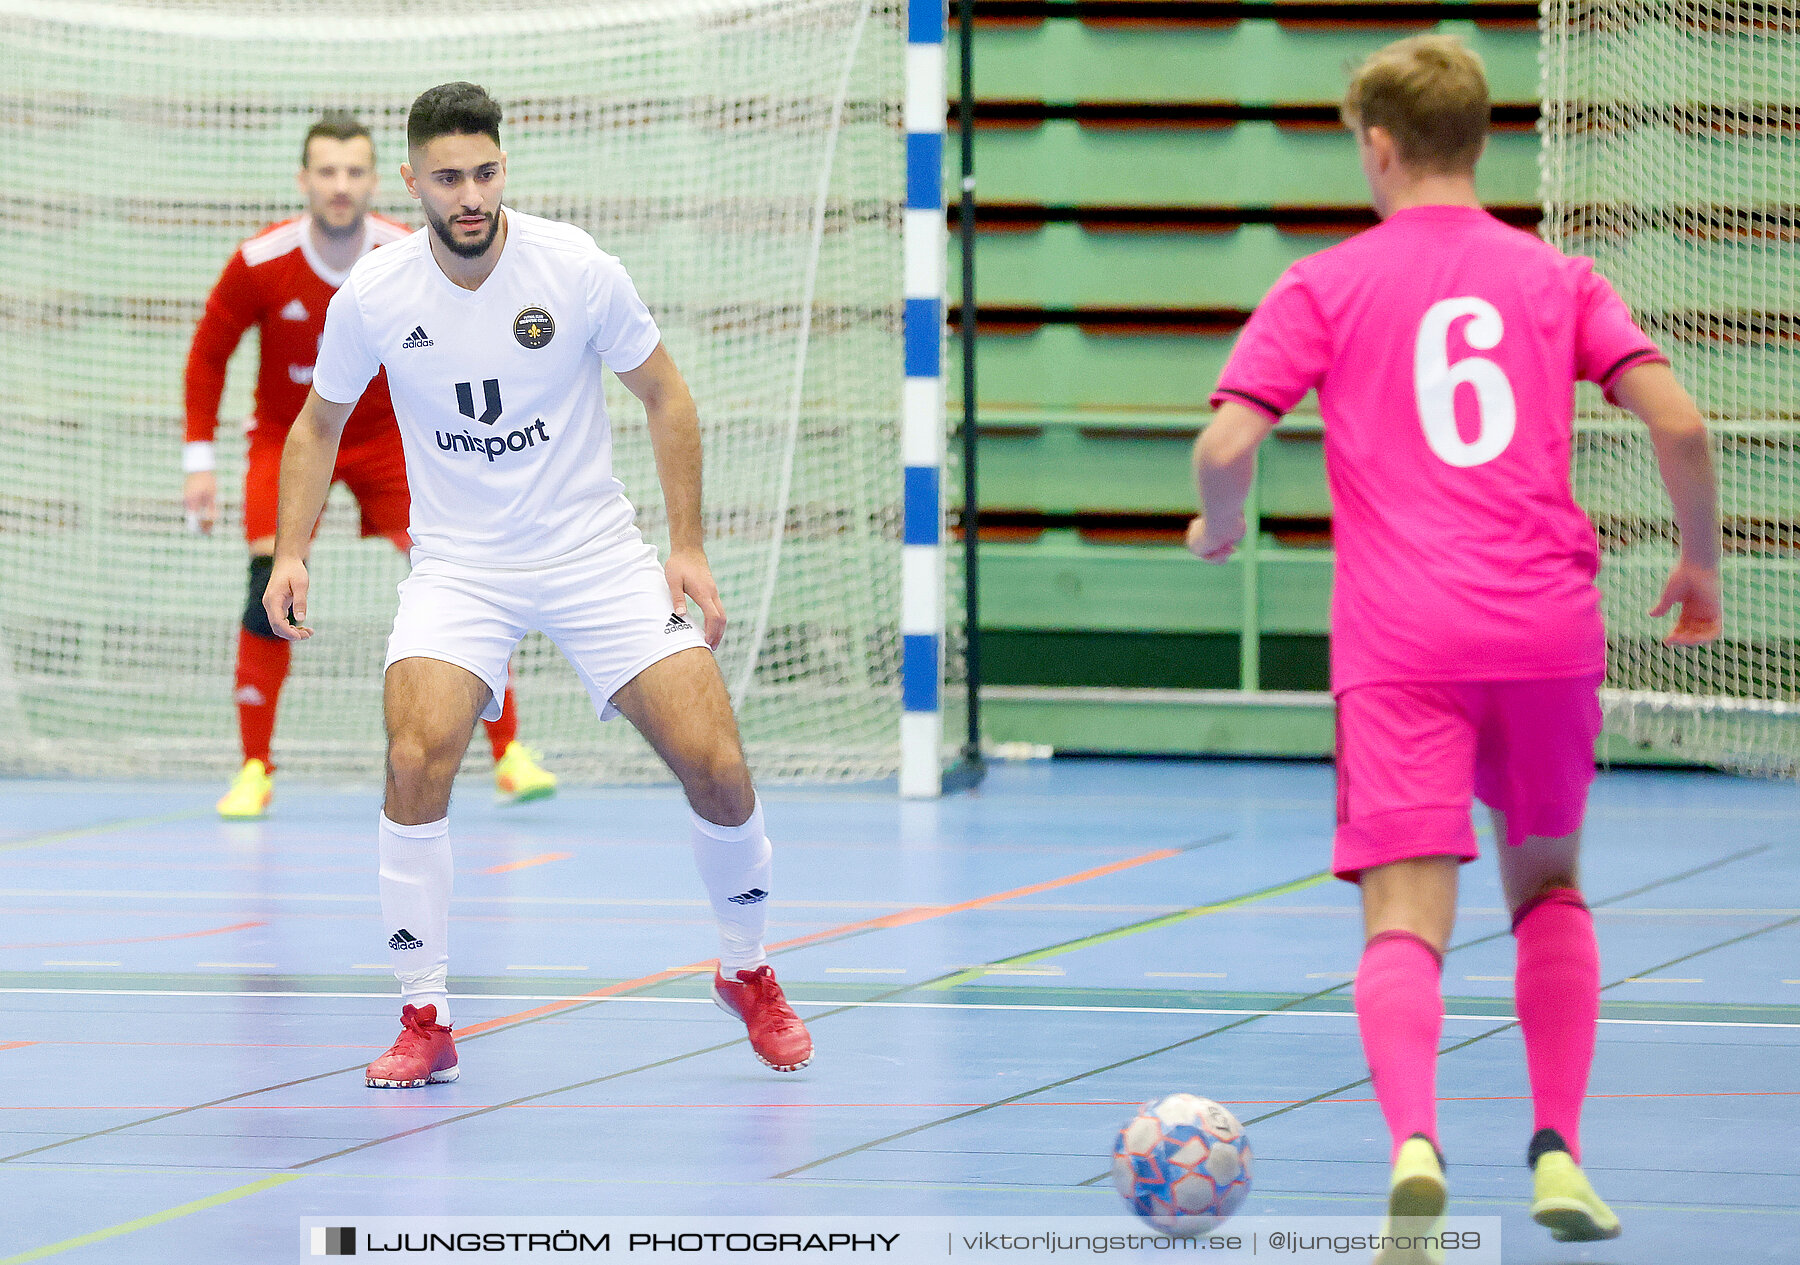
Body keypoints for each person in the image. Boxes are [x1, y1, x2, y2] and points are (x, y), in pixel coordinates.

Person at [1186, 35, 1721, 1260]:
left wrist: (1222, 530)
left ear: (1377, 147)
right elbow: (1681, 423)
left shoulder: (1325, 283)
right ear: (1480, 142)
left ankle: (1417, 1148)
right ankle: (1559, 1151)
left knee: (1405, 918)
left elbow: (1225, 450)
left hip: (1403, 640)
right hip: (1545, 630)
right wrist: (1699, 562)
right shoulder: (1559, 277)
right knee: (1549, 889)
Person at [262, 82, 813, 1086]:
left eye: (484, 172)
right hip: (461, 567)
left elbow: (666, 393)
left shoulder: (574, 266)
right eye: (447, 177)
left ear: (501, 167)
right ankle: (422, 1013)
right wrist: (291, 550)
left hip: (593, 553)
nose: (469, 194)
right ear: (414, 182)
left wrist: (684, 544)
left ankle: (749, 970)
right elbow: (315, 423)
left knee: (718, 762)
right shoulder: (377, 294)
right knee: (415, 753)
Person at [183, 112, 557, 819]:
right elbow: (207, 356)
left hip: (390, 439)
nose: (341, 185)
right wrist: (197, 461)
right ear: (304, 181)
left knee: (458, 576)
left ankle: (510, 752)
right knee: (270, 581)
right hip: (290, 438)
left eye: (355, 172)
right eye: (327, 171)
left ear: (376, 181)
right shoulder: (260, 263)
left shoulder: (406, 252)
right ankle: (254, 767)